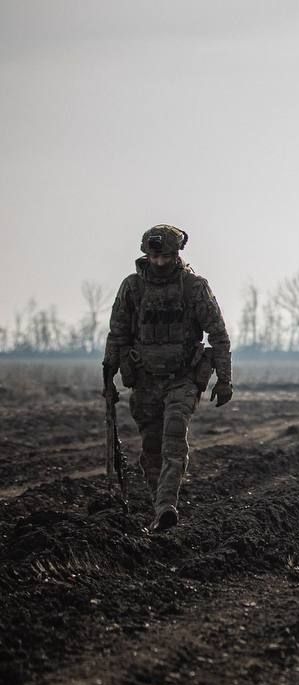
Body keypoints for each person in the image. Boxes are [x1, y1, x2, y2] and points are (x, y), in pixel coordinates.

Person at [102, 225, 233, 532]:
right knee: (151, 449)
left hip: (182, 379)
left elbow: (218, 335)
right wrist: (108, 377)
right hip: (145, 380)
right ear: (146, 255)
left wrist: (224, 379)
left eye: (166, 257)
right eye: (154, 256)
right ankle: (159, 508)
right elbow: (117, 334)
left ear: (177, 255)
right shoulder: (132, 287)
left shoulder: (194, 287)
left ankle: (166, 507)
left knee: (174, 440)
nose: (159, 262)